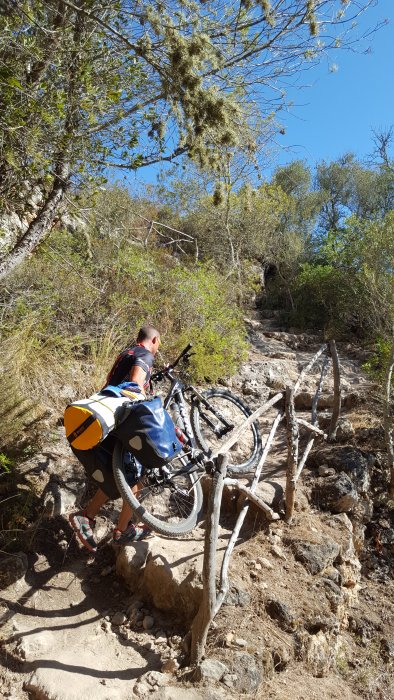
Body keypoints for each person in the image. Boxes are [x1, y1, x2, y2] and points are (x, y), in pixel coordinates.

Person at [68, 325, 161, 553]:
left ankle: (91, 519)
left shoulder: (126, 353)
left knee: (119, 478)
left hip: (103, 419)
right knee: (136, 476)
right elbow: (135, 385)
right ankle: (121, 530)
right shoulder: (145, 355)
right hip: (119, 421)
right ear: (155, 340)